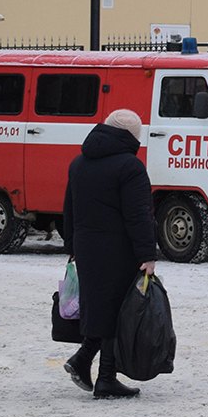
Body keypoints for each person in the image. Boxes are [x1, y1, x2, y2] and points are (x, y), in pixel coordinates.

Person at [61, 108, 157, 399]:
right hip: (119, 249)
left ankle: (82, 360)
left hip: (88, 248)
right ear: (131, 136)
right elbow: (139, 214)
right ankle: (106, 379)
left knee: (101, 308)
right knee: (118, 312)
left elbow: (69, 209)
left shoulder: (79, 163)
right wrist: (147, 253)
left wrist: (72, 247)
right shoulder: (130, 167)